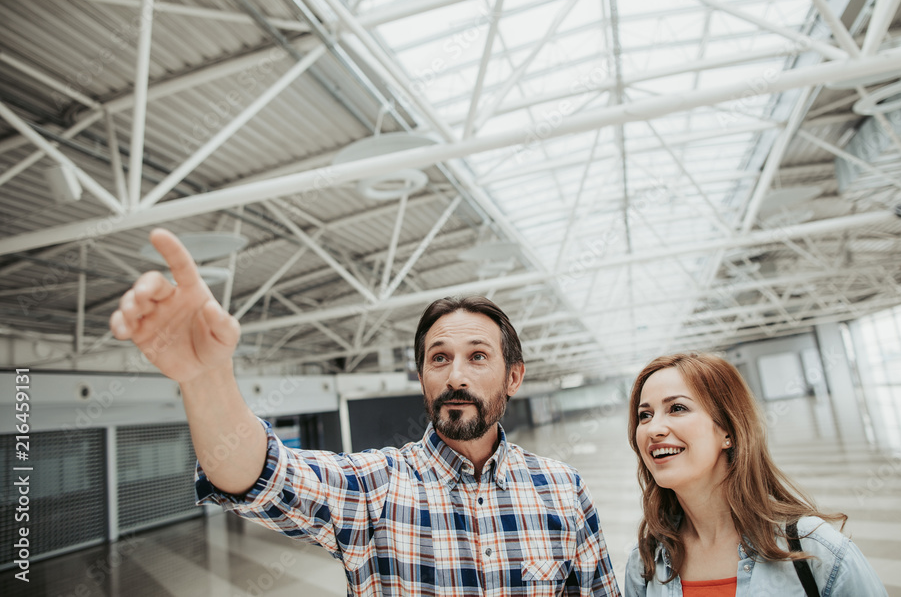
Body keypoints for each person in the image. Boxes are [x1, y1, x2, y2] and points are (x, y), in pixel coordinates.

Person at [110, 228, 620, 597]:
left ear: (514, 377)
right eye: (439, 358)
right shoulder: (376, 489)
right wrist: (204, 377)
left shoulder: (562, 489)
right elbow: (258, 474)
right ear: (421, 378)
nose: (456, 375)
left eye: (478, 356)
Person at [622, 352, 887, 596]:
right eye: (645, 415)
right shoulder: (645, 564)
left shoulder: (813, 549)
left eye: (677, 408)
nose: (653, 429)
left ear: (727, 430)